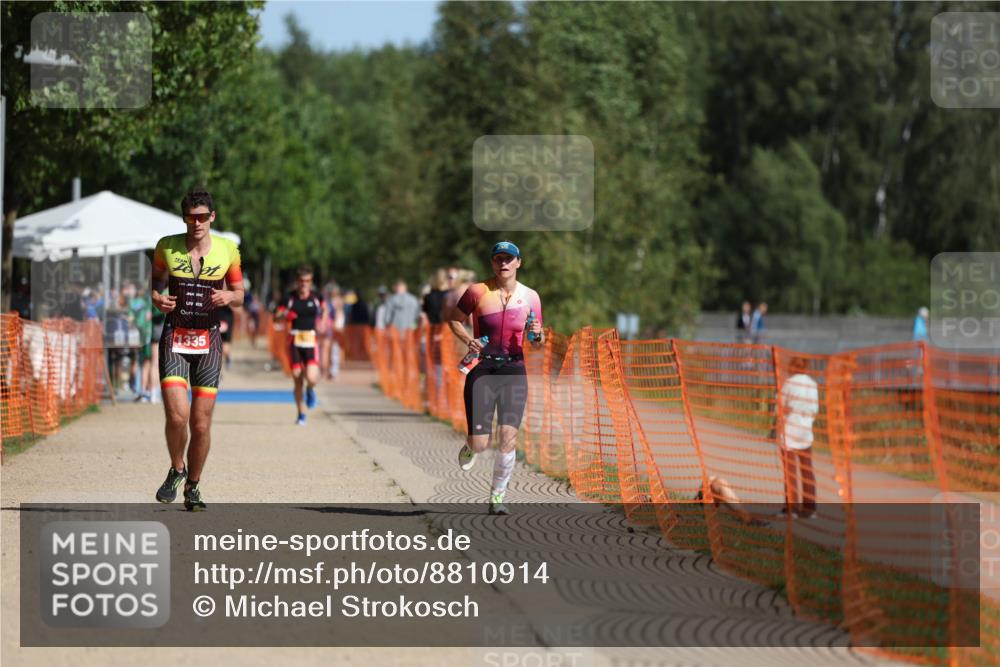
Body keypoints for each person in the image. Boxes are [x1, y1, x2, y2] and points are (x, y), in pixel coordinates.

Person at [151, 188, 244, 511]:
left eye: (203, 217)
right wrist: (157, 299)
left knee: (200, 423)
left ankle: (193, 485)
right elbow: (156, 284)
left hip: (209, 340)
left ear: (212, 218)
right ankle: (177, 469)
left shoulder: (228, 251)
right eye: (191, 217)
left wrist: (229, 298)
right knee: (177, 417)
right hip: (174, 337)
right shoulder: (167, 246)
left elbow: (240, 293)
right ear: (184, 218)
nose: (197, 223)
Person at [446, 241, 543, 516]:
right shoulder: (478, 291)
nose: (504, 263)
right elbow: (454, 319)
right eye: (499, 258)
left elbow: (537, 342)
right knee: (481, 443)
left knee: (507, 438)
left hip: (514, 370)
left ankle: (497, 497)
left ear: (518, 263)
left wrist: (537, 333)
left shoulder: (531, 297)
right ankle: (471, 445)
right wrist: (468, 339)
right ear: (492, 263)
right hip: (483, 369)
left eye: (509, 259)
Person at [276, 266, 324, 425]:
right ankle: (301, 414)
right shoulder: (289, 298)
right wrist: (284, 314)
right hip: (295, 340)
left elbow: (324, 310)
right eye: (302, 281)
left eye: (308, 281)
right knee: (297, 379)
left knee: (311, 377)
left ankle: (311, 389)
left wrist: (323, 322)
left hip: (310, 340)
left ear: (311, 282)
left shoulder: (317, 297)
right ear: (297, 282)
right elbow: (276, 317)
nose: (304, 284)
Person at [777, 357, 819, 519]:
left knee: (790, 472)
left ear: (792, 367)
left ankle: (791, 509)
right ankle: (810, 509)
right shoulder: (812, 384)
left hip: (789, 430)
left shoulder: (790, 383)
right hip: (806, 431)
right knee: (807, 470)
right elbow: (815, 409)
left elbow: (780, 407)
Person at [217, 304, 234, 369]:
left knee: (225, 349)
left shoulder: (228, 312)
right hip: (215, 316)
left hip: (226, 318)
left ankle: (228, 358)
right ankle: (218, 372)